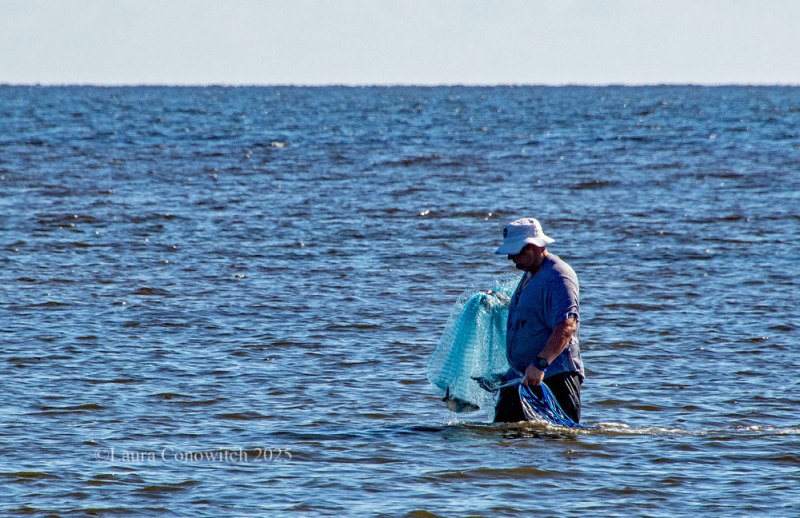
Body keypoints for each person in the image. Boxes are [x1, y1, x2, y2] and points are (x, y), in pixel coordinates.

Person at [493, 218, 585, 423]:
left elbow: (567, 326)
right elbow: (533, 309)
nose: (510, 257)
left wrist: (540, 364)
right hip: (520, 377)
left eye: (515, 252)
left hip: (552, 377)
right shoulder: (530, 273)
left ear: (533, 246)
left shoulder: (559, 277)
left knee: (556, 442)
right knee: (505, 439)